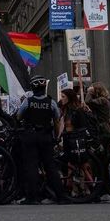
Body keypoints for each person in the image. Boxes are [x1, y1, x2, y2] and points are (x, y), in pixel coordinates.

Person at [16, 75, 69, 205]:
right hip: (46, 137)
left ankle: (32, 197)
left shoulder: (28, 101)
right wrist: (56, 137)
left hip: (30, 136)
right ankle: (61, 196)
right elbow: (56, 121)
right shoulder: (51, 102)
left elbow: (18, 116)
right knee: (50, 167)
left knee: (31, 167)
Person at [84, 82, 110, 152]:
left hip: (103, 129)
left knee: (104, 151)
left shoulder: (102, 100)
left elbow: (88, 101)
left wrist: (89, 92)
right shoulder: (102, 100)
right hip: (102, 128)